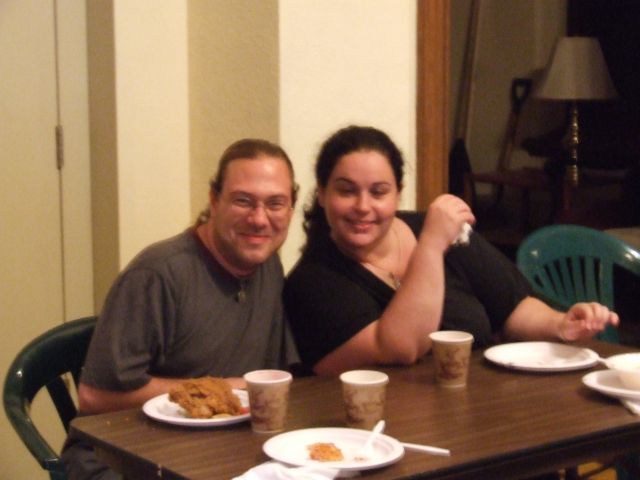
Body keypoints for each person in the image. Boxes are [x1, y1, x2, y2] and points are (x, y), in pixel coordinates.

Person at [283, 125, 619, 376]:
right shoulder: (312, 280)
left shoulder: (431, 228)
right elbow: (401, 347)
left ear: (398, 194)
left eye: (378, 192)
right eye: (346, 191)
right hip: (389, 428)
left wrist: (561, 324)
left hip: (487, 407)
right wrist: (431, 246)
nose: (362, 206)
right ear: (322, 193)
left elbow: (513, 306)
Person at [62, 138, 300, 479]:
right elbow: (94, 397)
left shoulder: (268, 267)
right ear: (214, 200)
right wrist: (223, 389)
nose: (259, 219)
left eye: (275, 203)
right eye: (243, 201)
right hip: (121, 460)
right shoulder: (157, 274)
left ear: (291, 209)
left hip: (214, 455)